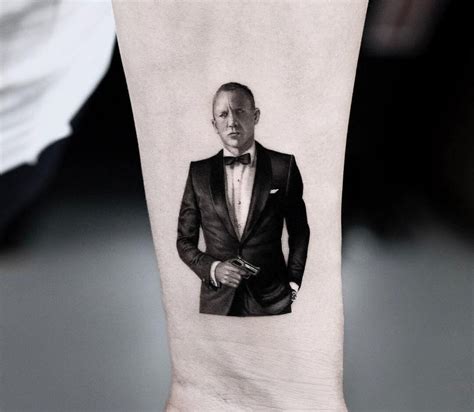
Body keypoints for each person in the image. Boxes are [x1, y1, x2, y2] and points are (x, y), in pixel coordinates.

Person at [177, 82, 310, 316]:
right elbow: (184, 241)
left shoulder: (283, 167)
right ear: (214, 124)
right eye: (223, 114)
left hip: (273, 299)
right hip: (217, 302)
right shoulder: (198, 173)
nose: (232, 122)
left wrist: (293, 282)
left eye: (239, 111)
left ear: (255, 116)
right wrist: (214, 269)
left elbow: (299, 231)